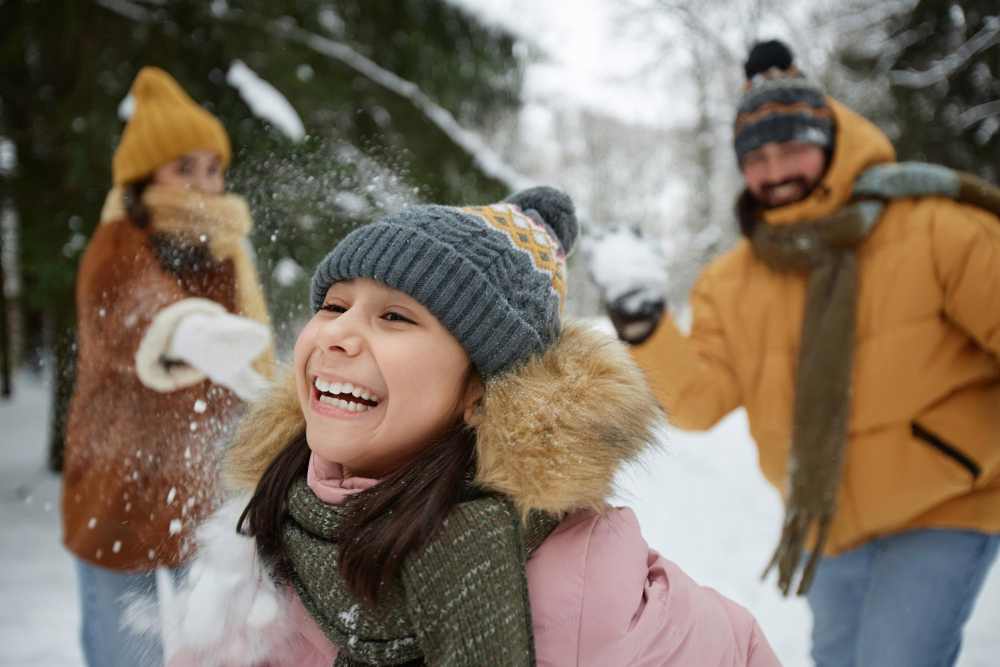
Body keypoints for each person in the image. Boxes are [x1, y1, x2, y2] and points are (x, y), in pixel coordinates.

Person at [142, 187, 781, 666]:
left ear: (479, 393)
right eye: (335, 305)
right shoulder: (267, 527)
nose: (337, 334)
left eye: (395, 317)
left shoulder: (580, 579)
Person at [585, 40, 1000, 667]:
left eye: (793, 149)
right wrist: (643, 324)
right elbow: (696, 402)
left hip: (944, 503)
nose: (775, 171)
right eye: (758, 157)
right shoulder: (732, 280)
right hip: (825, 523)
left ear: (829, 140)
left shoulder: (932, 227)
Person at [61, 66, 274, 667]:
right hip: (116, 493)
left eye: (213, 168)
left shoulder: (226, 254)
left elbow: (247, 363)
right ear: (142, 176)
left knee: (210, 654)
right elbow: (134, 306)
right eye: (185, 168)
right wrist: (192, 330)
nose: (205, 185)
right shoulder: (115, 244)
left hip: (198, 497)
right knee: (125, 654)